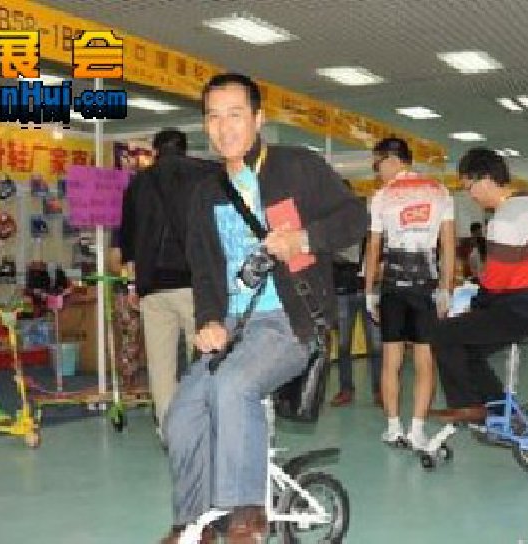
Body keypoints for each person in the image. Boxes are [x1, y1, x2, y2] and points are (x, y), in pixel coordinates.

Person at [159, 73, 366, 544]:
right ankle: (194, 524)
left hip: (291, 321)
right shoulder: (206, 193)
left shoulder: (296, 167)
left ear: (258, 118)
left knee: (233, 386)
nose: (224, 127)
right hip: (235, 326)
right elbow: (205, 272)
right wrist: (209, 321)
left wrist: (305, 239)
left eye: (235, 114)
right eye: (214, 116)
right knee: (183, 411)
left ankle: (245, 515)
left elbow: (355, 217)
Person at [427, 148, 528, 422]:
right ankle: (498, 412)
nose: (470, 195)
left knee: (442, 333)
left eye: (469, 187)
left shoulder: (504, 220)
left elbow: (496, 282)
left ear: (485, 179)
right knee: (468, 347)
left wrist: (473, 305)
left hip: (517, 309)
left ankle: (467, 406)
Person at [118, 129, 220, 433]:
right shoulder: (207, 175)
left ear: (155, 151)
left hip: (152, 287)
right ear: (185, 149)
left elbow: (127, 244)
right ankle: (204, 427)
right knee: (204, 361)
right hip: (196, 285)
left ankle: (168, 430)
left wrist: (134, 285)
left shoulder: (137, 184)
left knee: (160, 367)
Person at [364, 137, 455, 450]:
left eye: (378, 164)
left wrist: (369, 291)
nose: (377, 171)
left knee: (391, 360)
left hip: (392, 286)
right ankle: (417, 429)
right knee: (425, 361)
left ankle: (394, 427)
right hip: (425, 286)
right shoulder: (440, 192)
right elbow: (448, 245)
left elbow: (374, 247)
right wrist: (446, 289)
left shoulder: (382, 196)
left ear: (392, 159)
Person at [330, 231, 383, 407]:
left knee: (376, 345)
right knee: (343, 344)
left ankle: (379, 389)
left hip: (372, 291)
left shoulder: (375, 231)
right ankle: (346, 389)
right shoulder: (335, 231)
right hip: (342, 291)